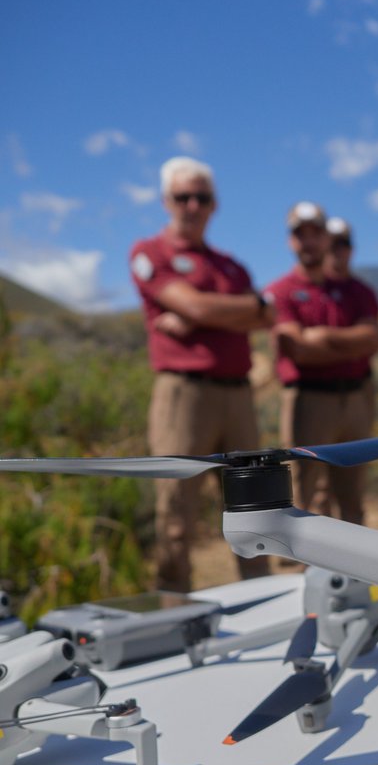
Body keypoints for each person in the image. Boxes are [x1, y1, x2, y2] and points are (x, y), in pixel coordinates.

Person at [129, 156, 275, 592]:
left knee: (254, 508)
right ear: (165, 201)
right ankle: (174, 611)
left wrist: (198, 314)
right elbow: (205, 305)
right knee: (176, 513)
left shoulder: (230, 265)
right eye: (182, 196)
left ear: (214, 204)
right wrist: (217, 310)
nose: (192, 205)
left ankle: (259, 598)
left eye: (202, 197)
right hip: (183, 395)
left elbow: (267, 314)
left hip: (238, 396)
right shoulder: (150, 252)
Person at [266, 202, 378, 524]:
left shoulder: (355, 290)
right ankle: (312, 568)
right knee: (307, 494)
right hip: (308, 400)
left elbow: (373, 340)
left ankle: (357, 568)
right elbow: (297, 349)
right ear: (291, 241)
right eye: (301, 234)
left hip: (354, 397)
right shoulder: (281, 291)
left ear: (327, 239)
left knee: (353, 493)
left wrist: (321, 338)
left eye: (316, 233)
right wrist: (349, 343)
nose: (309, 242)